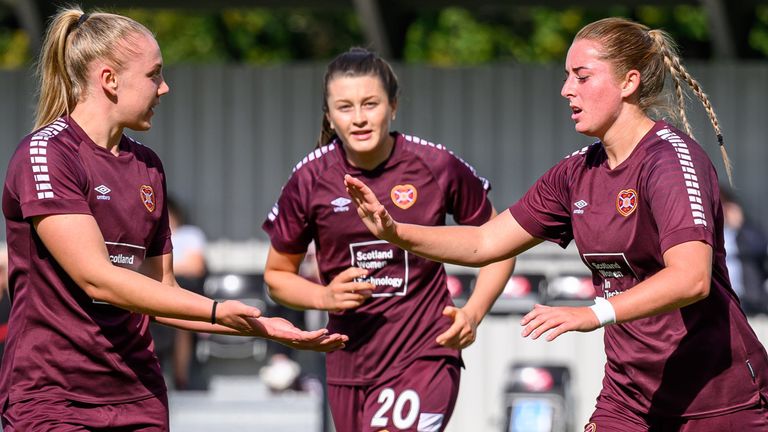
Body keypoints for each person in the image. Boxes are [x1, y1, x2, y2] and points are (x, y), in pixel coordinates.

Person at [346, 17, 768, 432]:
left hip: (719, 401)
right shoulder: (575, 173)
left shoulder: (671, 161)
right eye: (568, 77)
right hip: (630, 400)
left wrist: (593, 313)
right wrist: (394, 232)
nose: (567, 90)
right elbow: (484, 242)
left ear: (629, 82)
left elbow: (691, 278)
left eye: (582, 77)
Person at [0, 7, 346, 431]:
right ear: (109, 80)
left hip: (138, 397)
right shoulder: (47, 154)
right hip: (54, 398)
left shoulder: (147, 166)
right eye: (154, 74)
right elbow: (97, 278)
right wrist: (217, 310)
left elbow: (161, 294)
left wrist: (262, 328)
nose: (165, 88)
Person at [262, 47, 516, 432]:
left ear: (393, 106)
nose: (360, 118)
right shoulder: (310, 178)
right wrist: (323, 296)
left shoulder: (436, 166)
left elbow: (501, 246)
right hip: (348, 362)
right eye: (345, 107)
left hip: (424, 353)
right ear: (329, 115)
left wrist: (473, 312)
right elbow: (277, 276)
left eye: (371, 103)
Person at [150, 196, 209, 390]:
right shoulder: (149, 236)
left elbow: (195, 267)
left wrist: (161, 269)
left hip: (179, 292)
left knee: (179, 325)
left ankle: (180, 378)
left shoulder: (190, 234)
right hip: (156, 294)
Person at [721, 188, 768, 315]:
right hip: (722, 300)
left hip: (750, 302)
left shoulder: (744, 232)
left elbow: (759, 248)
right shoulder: (711, 234)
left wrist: (742, 225)